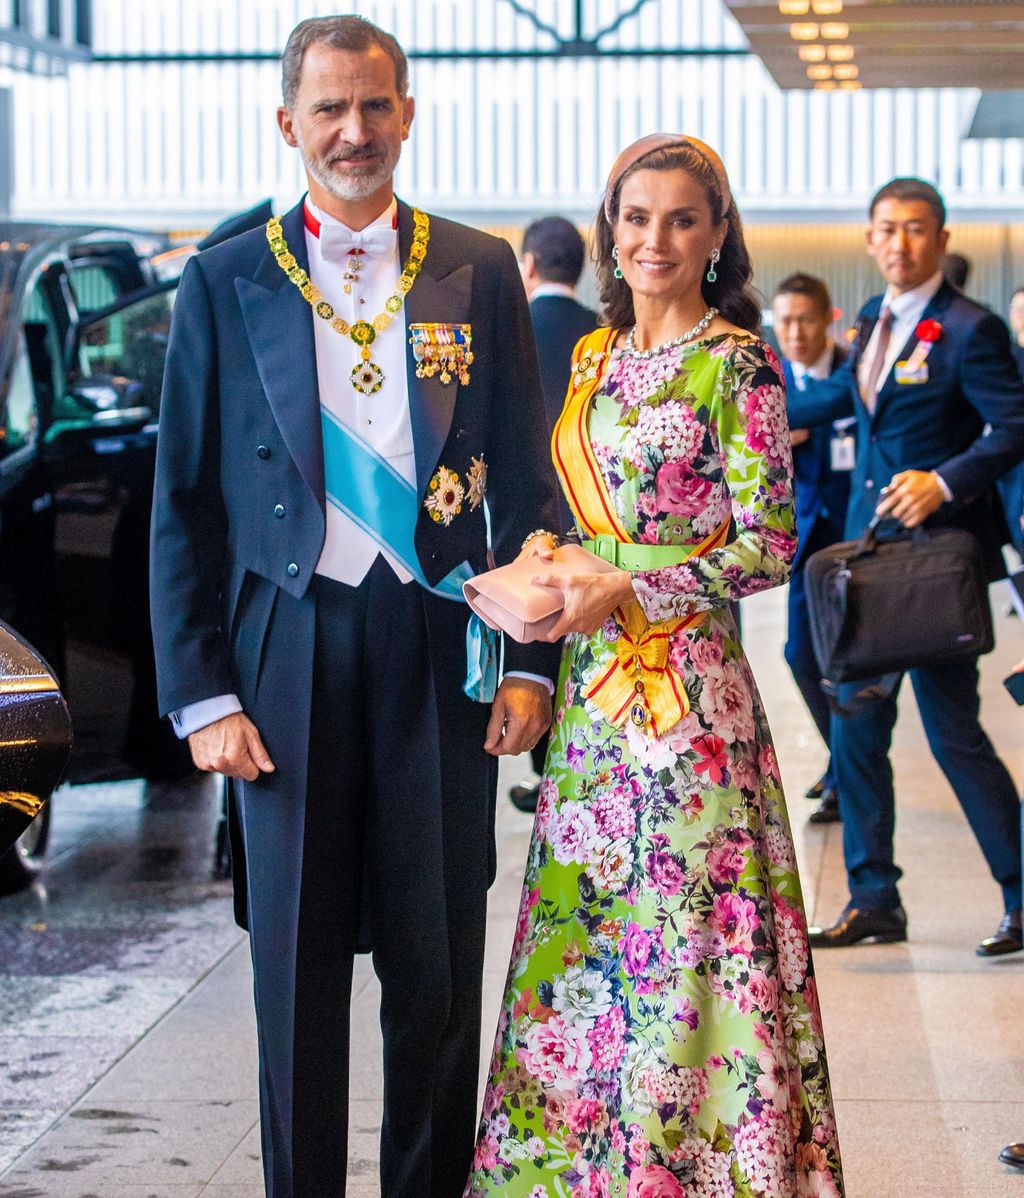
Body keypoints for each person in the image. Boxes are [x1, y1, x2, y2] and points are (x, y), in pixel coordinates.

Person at [149, 15, 561, 1198]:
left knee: (435, 968)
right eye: (329, 109)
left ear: (409, 114)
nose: (354, 131)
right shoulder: (225, 278)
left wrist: (532, 665)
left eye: (376, 105)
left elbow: (527, 485)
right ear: (289, 125)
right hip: (282, 653)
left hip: (438, 641)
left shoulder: (476, 267)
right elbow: (181, 501)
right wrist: (202, 693)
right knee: (296, 971)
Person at [466, 134, 844, 1198]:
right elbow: (570, 515)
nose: (654, 240)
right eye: (636, 218)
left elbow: (767, 544)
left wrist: (632, 584)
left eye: (682, 219)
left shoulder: (739, 365)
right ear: (609, 229)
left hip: (692, 705)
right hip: (593, 700)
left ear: (718, 234)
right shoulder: (585, 359)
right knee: (589, 940)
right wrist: (545, 571)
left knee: (688, 943)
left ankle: (695, 1170)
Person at [788, 177, 1024, 953]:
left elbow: (1014, 424)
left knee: (954, 734)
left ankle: (1021, 896)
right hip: (867, 559)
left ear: (941, 240)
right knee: (856, 726)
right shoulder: (871, 321)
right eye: (887, 230)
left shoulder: (970, 330)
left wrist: (945, 479)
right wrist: (757, 407)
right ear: (869, 240)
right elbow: (852, 405)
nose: (900, 243)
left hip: (933, 569)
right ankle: (873, 897)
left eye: (916, 229)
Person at [508, 216, 598, 815]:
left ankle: (549, 771)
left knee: (541, 639)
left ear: (530, 265)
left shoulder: (510, 330)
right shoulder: (608, 334)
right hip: (598, 520)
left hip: (529, 519)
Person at [773, 273, 851, 825]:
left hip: (855, 535)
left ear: (830, 318)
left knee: (853, 664)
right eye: (784, 321)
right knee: (800, 654)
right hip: (804, 539)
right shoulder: (771, 380)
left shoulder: (855, 371)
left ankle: (847, 774)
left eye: (804, 319)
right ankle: (843, 762)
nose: (794, 333)